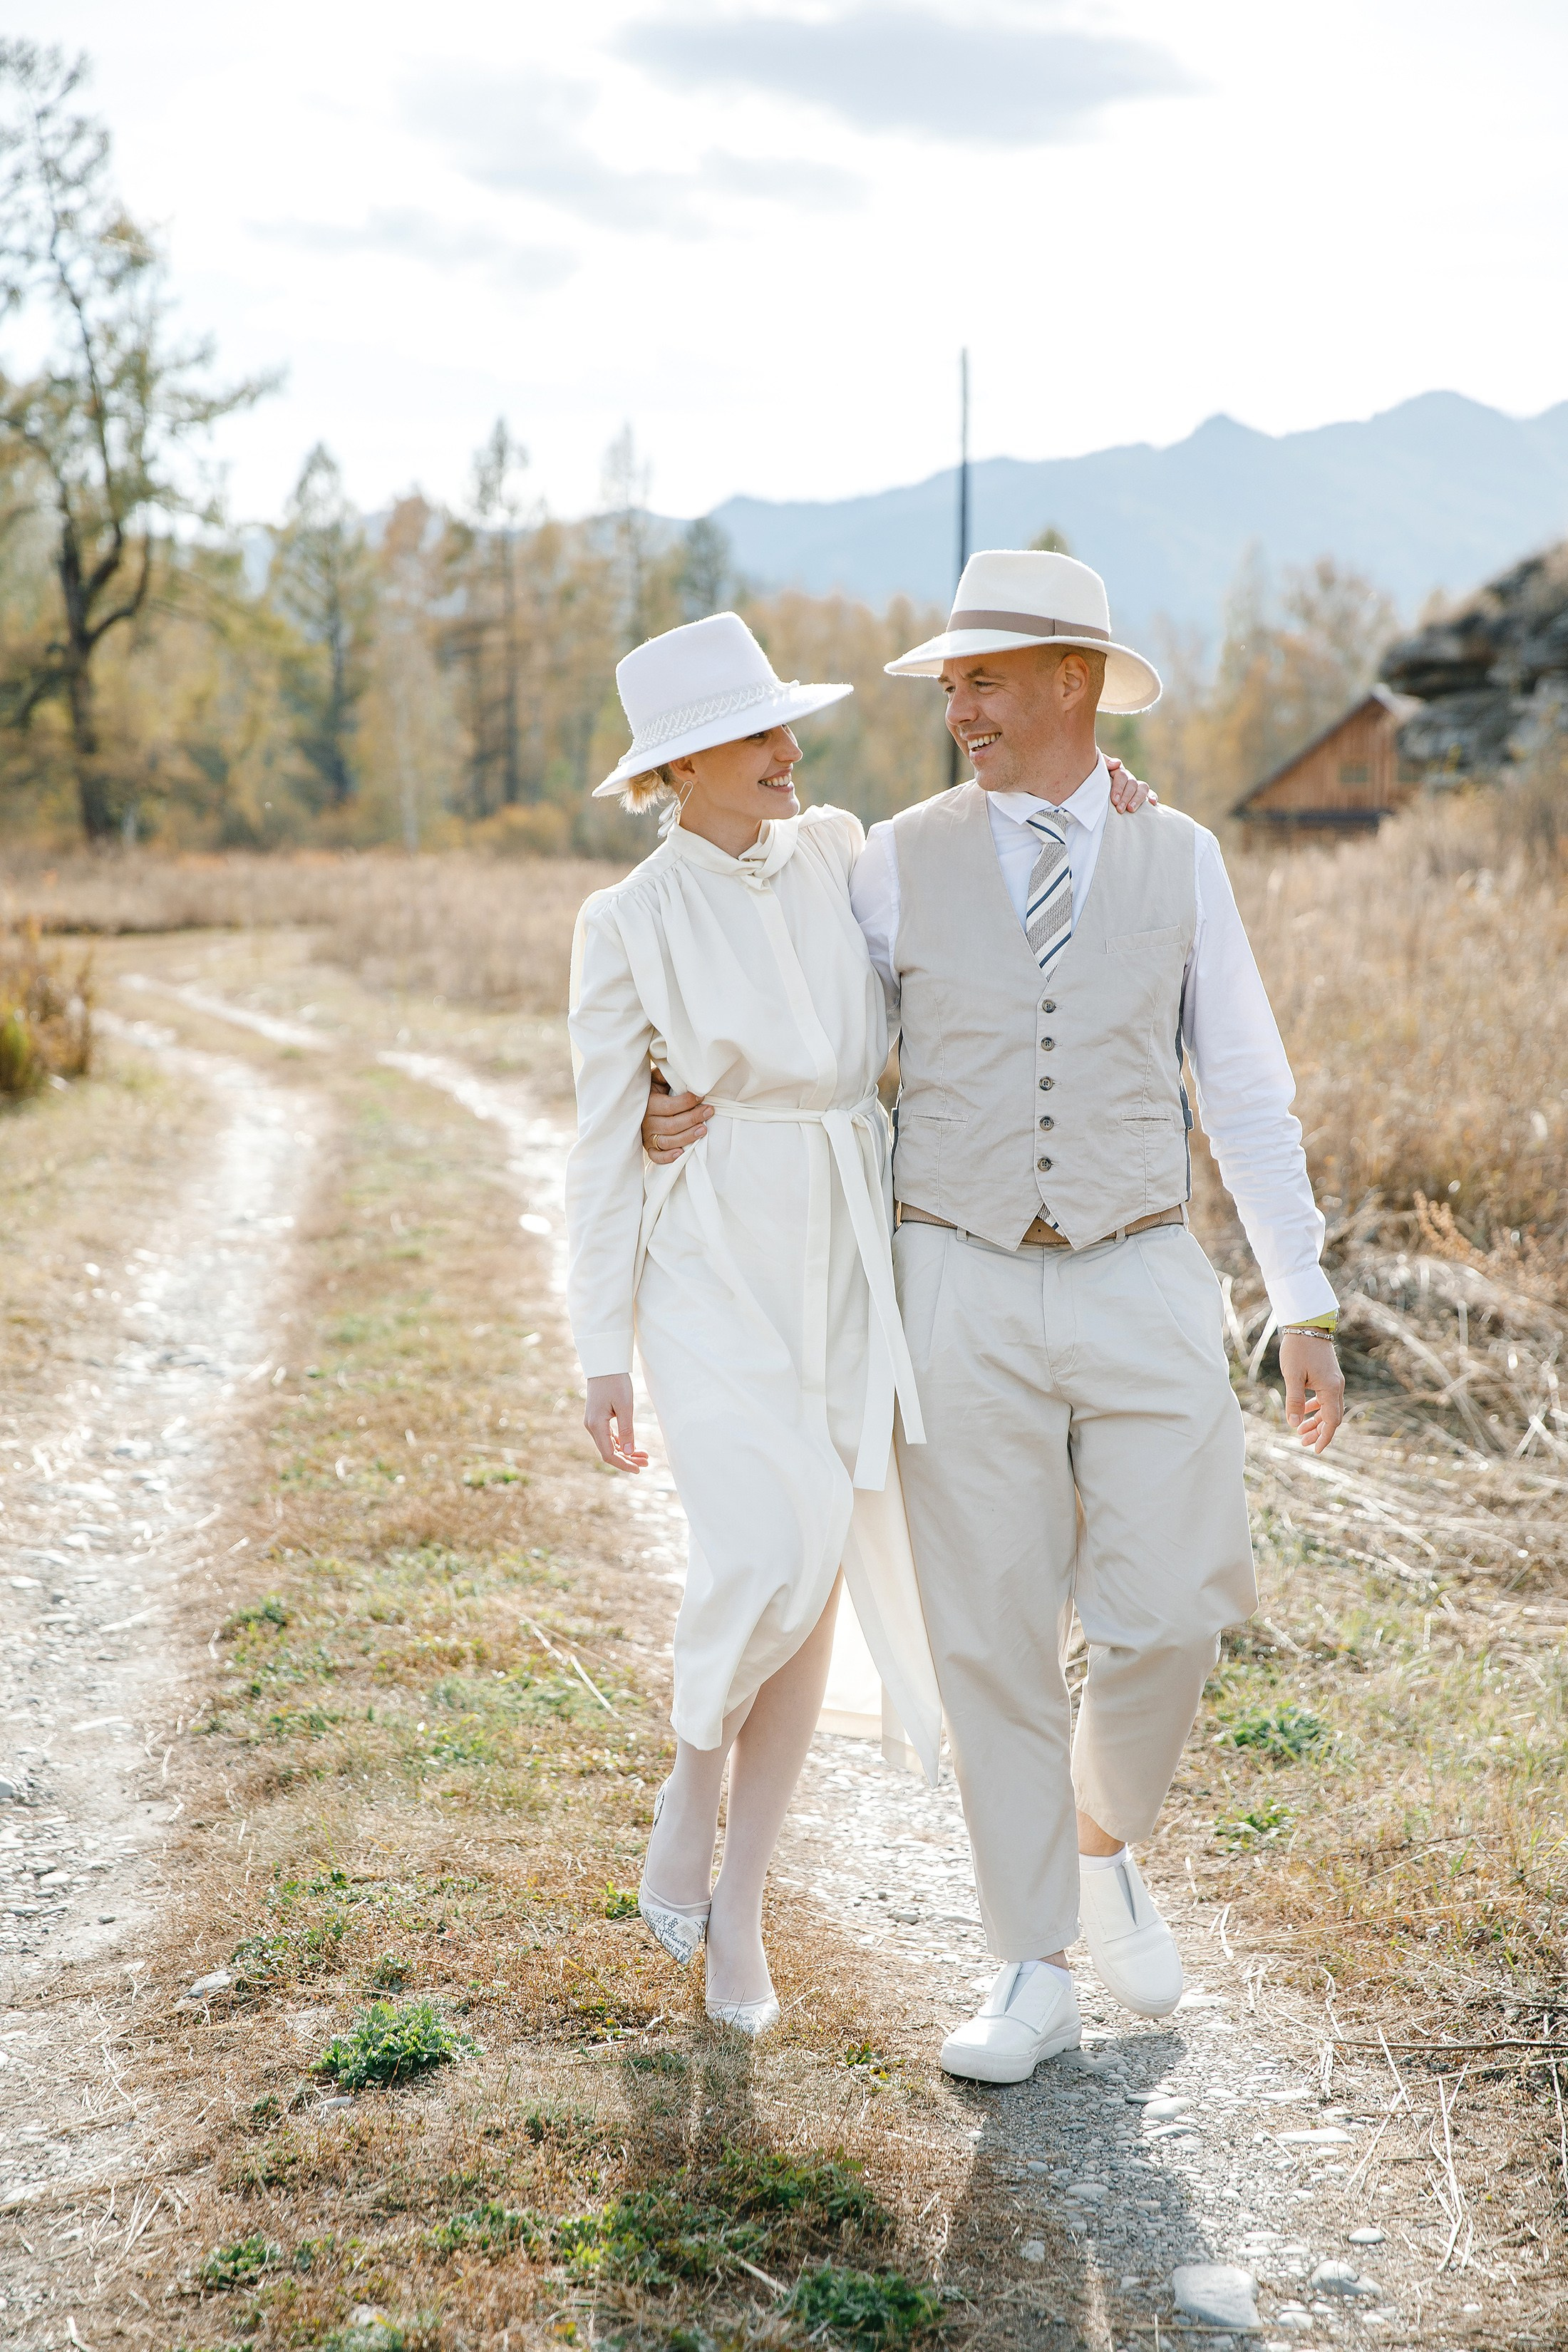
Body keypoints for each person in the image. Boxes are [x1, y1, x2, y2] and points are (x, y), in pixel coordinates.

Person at [643, 549, 1345, 2084]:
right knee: (991, 1641)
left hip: (1144, 1262)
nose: (953, 705)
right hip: (952, 1273)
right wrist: (661, 1086)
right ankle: (1028, 1967)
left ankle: (1098, 1843)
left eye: (978, 677)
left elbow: (1240, 1084)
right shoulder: (883, 859)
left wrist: (1299, 1297)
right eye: (947, 681)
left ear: (1070, 683)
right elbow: (763, 979)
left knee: (1170, 1611)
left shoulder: (1183, 859)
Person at [564, 611, 944, 2036]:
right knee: (767, 1545)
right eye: (757, 735)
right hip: (712, 1257)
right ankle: (688, 1774)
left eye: (787, 727)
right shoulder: (626, 922)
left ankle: (740, 1909)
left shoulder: (844, 851)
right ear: (680, 769)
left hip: (851, 1243)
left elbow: (972, 877)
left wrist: (1104, 803)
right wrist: (600, 1346)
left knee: (817, 1574)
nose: (792, 752)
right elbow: (601, 1141)